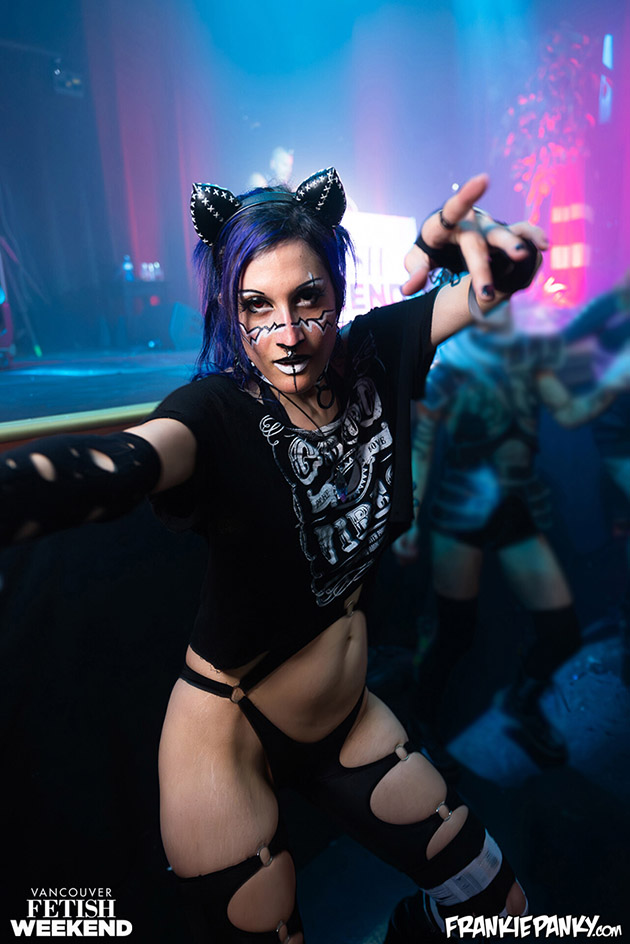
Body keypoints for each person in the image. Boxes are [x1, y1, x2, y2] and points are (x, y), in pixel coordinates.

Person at [1, 168, 545, 942]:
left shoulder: (375, 354)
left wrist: (502, 258)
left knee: (501, 913)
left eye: (307, 299)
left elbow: (483, 291)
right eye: (257, 306)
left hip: (346, 719)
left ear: (337, 292)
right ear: (232, 309)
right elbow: (131, 461)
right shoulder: (215, 411)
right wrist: (22, 490)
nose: (287, 333)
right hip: (225, 740)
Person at [392, 308, 630, 776]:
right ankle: (421, 724)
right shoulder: (449, 369)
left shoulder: (529, 357)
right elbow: (422, 447)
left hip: (514, 510)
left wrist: (614, 379)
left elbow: (571, 412)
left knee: (561, 630)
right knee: (454, 634)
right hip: (461, 511)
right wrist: (413, 521)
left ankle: (522, 701)